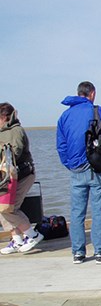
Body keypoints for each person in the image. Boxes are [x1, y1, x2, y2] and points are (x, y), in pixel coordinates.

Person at [56, 81, 101, 264]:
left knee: (76, 212)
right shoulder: (98, 111)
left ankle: (78, 252)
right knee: (98, 210)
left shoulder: (65, 116)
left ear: (78, 93)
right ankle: (99, 251)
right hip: (98, 166)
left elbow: (61, 145)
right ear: (92, 93)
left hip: (76, 168)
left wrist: (70, 164)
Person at [0, 103, 43, 254]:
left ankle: (32, 235)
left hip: (23, 174)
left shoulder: (16, 130)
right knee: (2, 208)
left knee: (10, 208)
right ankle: (16, 239)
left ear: (4, 117)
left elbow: (15, 151)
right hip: (6, 176)